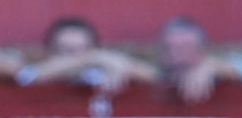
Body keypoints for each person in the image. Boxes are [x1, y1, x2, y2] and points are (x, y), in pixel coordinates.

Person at [16, 16, 157, 93]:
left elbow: (156, 77)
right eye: (66, 51)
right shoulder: (41, 71)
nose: (75, 58)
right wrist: (89, 58)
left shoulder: (101, 70)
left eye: (81, 50)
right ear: (50, 52)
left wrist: (114, 63)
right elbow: (30, 76)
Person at [157, 17, 242, 104]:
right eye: (170, 48)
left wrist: (214, 66)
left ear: (203, 50)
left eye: (187, 48)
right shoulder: (157, 75)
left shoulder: (217, 68)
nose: (179, 56)